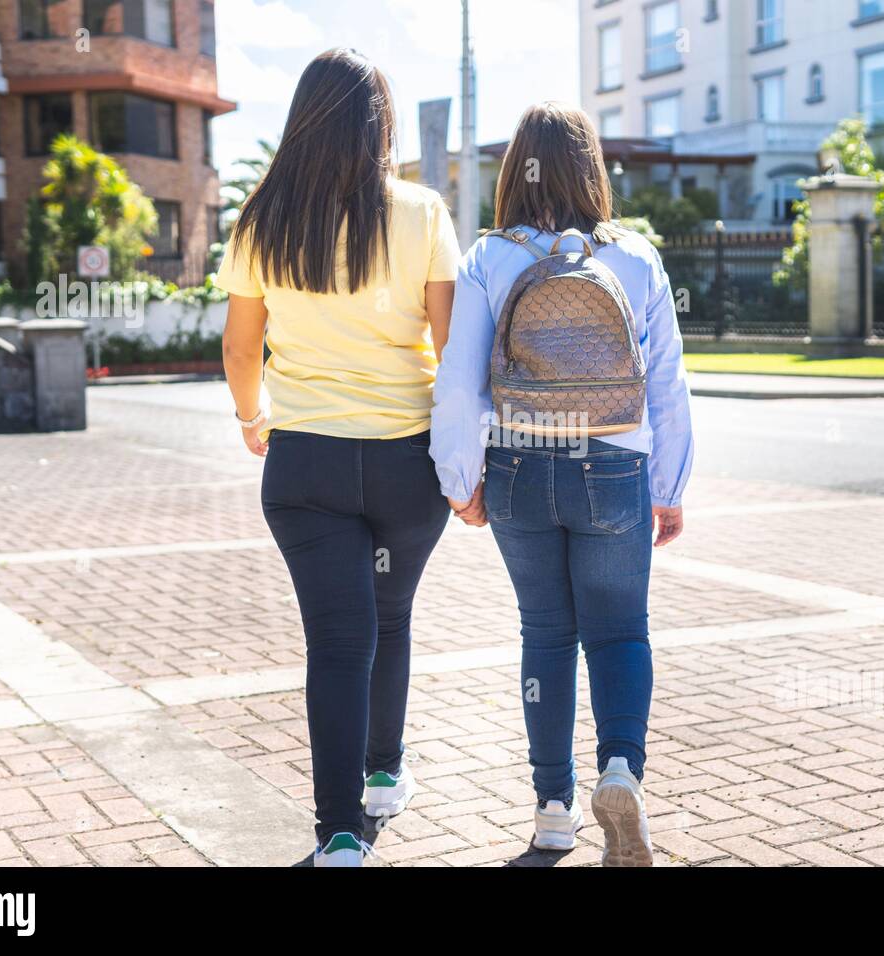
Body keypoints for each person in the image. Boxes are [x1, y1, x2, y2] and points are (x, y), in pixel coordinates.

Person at [430, 101, 695, 866]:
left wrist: (460, 480)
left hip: (518, 463)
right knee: (619, 631)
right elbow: (670, 385)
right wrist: (668, 486)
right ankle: (622, 770)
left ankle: (553, 811)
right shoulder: (637, 257)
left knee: (546, 635)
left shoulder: (488, 258)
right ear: (593, 171)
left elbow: (458, 385)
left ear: (517, 170)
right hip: (615, 464)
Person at [217, 48, 460, 867]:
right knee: (388, 620)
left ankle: (341, 834)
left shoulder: (262, 220)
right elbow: (451, 347)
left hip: (305, 463)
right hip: (406, 462)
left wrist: (253, 418)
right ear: (379, 126)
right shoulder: (422, 212)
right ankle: (385, 774)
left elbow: (240, 344)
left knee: (336, 640)